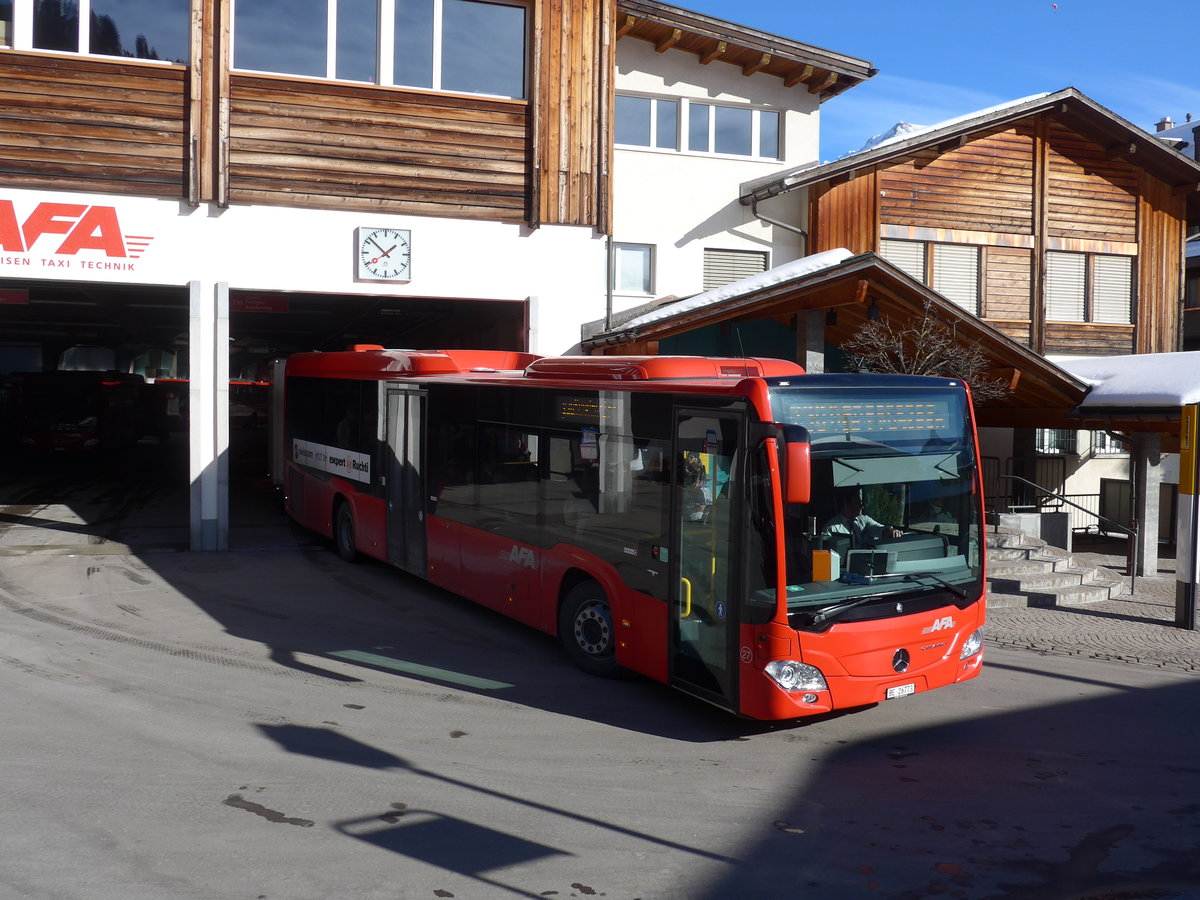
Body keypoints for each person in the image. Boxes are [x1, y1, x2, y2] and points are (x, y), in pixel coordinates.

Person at [821, 489, 902, 549]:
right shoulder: (831, 528)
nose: (861, 506)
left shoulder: (864, 520)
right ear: (846, 504)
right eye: (858, 503)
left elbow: (878, 528)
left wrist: (890, 532)